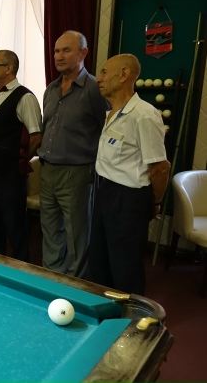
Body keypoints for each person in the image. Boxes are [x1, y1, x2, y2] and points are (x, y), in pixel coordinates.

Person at [89, 53, 170, 295]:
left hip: (128, 199)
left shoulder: (144, 115)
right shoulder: (111, 112)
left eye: (104, 72)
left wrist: (153, 202)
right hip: (104, 192)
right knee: (99, 262)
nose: (98, 79)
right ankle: (104, 312)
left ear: (124, 74)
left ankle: (131, 316)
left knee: (125, 268)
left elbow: (160, 167)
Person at [38, 30, 109, 278]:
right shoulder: (51, 89)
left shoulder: (94, 89)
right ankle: (52, 280)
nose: (59, 56)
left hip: (77, 173)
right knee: (50, 231)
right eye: (56, 51)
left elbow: (107, 131)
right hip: (47, 170)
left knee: (77, 235)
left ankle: (75, 286)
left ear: (83, 53)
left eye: (66, 50)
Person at [0, 50, 42, 261]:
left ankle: (21, 269)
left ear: (9, 68)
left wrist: (19, 160)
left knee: (15, 226)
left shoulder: (25, 97)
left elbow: (36, 137)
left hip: (10, 175)